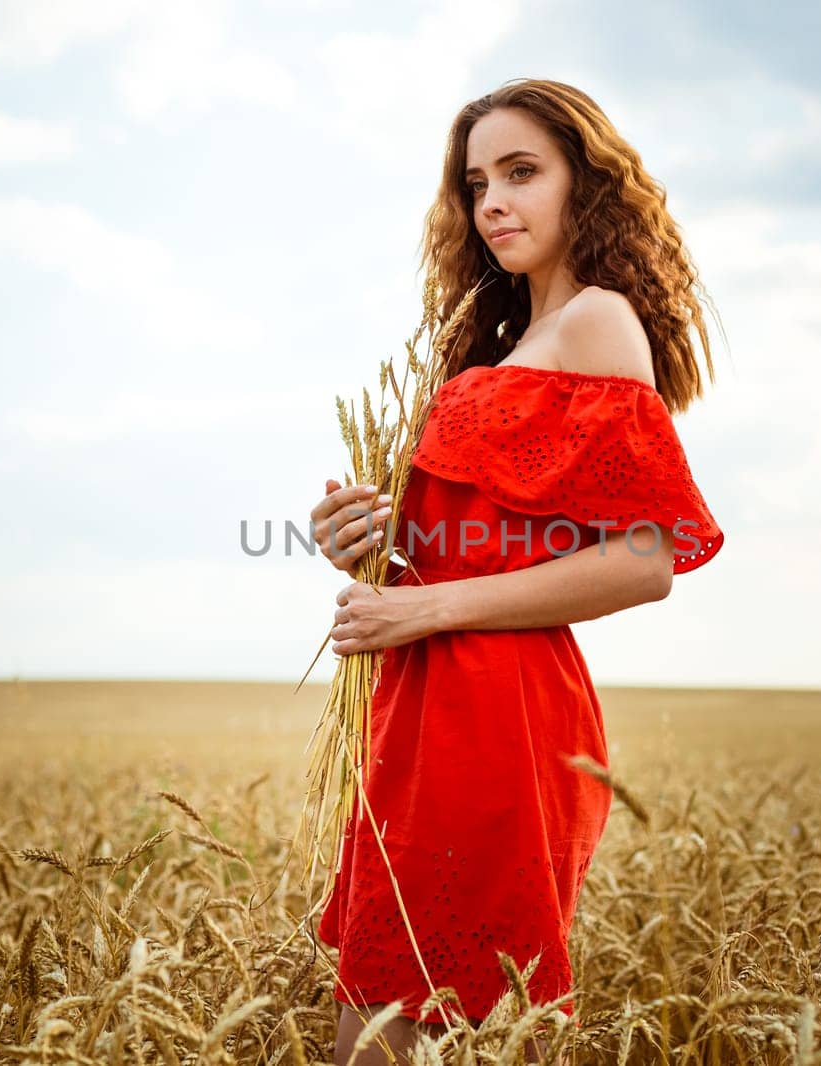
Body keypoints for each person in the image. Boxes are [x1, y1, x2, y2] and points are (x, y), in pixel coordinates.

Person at [307, 77, 725, 1066]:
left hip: (498, 712)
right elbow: (480, 536)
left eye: (521, 171)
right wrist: (364, 537)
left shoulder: (595, 321)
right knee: (384, 1018)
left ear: (586, 183)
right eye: (476, 181)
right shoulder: (497, 345)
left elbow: (644, 559)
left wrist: (426, 608)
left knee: (419, 1026)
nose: (492, 200)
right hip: (423, 702)